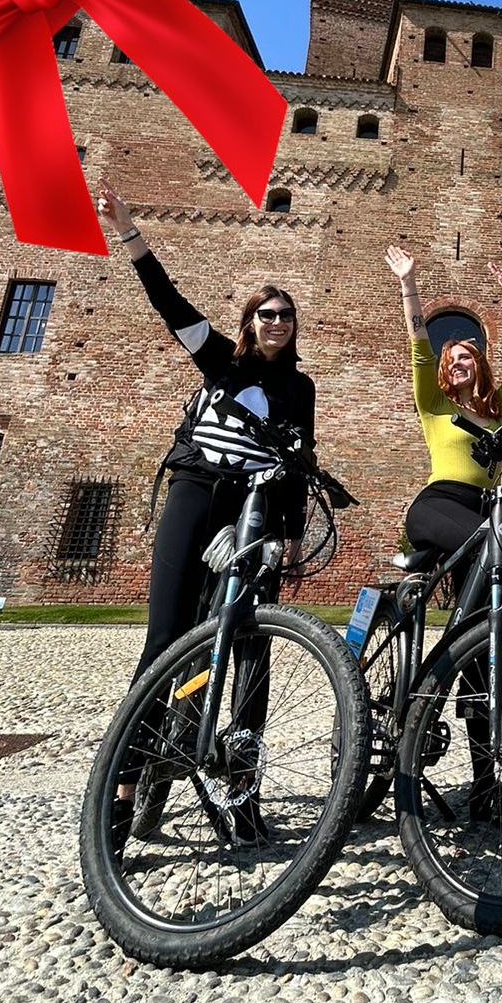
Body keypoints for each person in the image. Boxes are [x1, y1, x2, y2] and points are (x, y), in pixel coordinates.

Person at [97, 178, 316, 846]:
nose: (276, 321)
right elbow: (167, 301)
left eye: (286, 315)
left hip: (252, 510)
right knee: (163, 637)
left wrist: (291, 535)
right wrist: (129, 231)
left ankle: (242, 787)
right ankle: (125, 786)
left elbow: (301, 464)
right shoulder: (219, 357)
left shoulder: (299, 386)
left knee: (252, 646)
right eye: (266, 313)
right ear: (249, 321)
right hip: (196, 491)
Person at [384, 244, 502, 826]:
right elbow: (418, 345)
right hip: (438, 506)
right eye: (456, 357)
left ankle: (483, 782)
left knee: (487, 641)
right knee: (495, 561)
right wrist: (410, 285)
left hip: (485, 514)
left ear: (481, 364)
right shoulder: (434, 404)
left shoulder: (497, 412)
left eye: (471, 354)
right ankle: (438, 679)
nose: (462, 361)